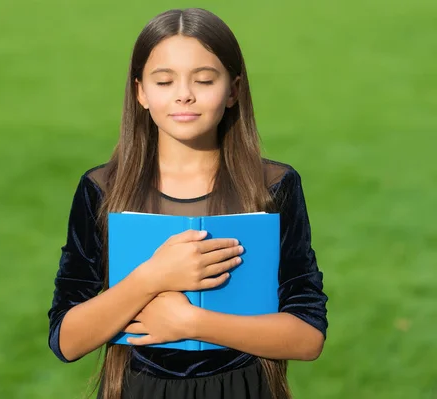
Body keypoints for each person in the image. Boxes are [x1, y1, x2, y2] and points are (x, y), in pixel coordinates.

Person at [47, 8, 328, 399]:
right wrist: (153, 277)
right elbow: (67, 340)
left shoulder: (272, 187)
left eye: (204, 79)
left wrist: (193, 322)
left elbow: (308, 336)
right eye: (164, 81)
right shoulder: (103, 189)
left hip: (244, 388)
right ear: (140, 92)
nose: (184, 94)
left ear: (233, 90)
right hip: (137, 389)